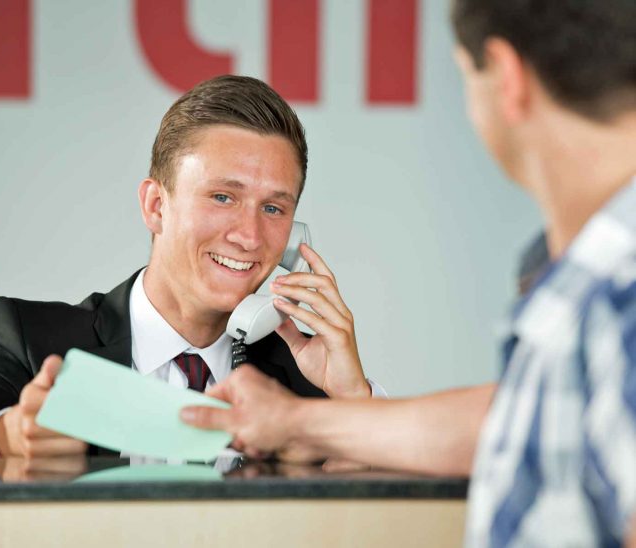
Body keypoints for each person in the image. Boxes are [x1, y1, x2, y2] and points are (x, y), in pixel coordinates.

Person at [181, 1, 636, 544]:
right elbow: (520, 423)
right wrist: (301, 420)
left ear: (506, 77)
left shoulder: (617, 295)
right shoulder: (589, 295)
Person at [0, 75, 381, 461]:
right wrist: (6, 438)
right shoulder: (28, 336)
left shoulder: (306, 387)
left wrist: (351, 402)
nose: (250, 236)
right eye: (223, 197)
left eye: (274, 209)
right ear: (157, 206)